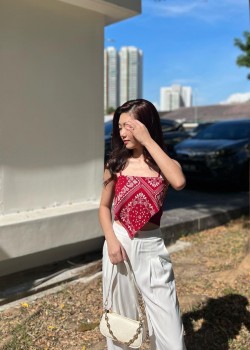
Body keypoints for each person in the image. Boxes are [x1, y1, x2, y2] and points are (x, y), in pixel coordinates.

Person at [99, 99, 187, 350]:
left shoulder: (164, 166)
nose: (122, 132)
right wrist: (111, 241)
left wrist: (148, 141)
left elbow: (179, 181)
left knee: (169, 326)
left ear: (145, 126)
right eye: (119, 127)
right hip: (119, 243)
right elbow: (104, 208)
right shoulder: (115, 165)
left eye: (129, 126)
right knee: (121, 322)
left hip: (151, 247)